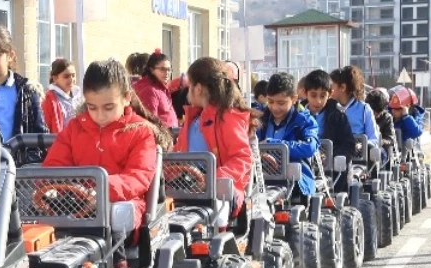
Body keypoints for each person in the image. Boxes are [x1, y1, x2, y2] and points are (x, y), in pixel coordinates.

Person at [44, 59, 160, 231]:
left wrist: (100, 191)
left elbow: (137, 177)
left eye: (108, 108)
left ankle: (119, 258)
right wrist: (51, 188)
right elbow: (54, 167)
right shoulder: (74, 128)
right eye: (92, 107)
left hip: (122, 206)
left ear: (127, 98)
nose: (100, 116)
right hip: (76, 203)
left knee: (115, 216)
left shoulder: (141, 131)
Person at [175, 57, 253, 219]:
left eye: (188, 86)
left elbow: (242, 158)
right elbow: (179, 157)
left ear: (197, 88)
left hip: (220, 192)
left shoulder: (228, 117)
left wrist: (212, 179)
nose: (186, 91)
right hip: (188, 187)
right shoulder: (193, 119)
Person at [258, 72, 319, 198]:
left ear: (294, 99)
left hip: (296, 184)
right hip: (261, 180)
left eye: (281, 103)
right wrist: (260, 153)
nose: (275, 108)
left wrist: (273, 145)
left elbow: (310, 147)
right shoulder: (260, 120)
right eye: (270, 101)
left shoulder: (305, 121)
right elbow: (248, 146)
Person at [303, 68, 356, 190]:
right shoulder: (298, 116)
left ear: (330, 94)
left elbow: (348, 144)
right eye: (313, 95)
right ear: (305, 93)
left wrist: (331, 157)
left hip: (332, 172)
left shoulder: (338, 116)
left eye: (323, 96)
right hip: (304, 169)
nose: (318, 101)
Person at [329, 65, 379, 149]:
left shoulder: (364, 109)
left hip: (358, 158)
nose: (328, 89)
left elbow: (374, 139)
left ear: (343, 87)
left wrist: (362, 146)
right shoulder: (328, 108)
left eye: (331, 86)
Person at [132, 51, 180, 132]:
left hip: (171, 135)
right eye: (162, 69)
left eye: (169, 69)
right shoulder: (149, 90)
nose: (167, 73)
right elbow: (150, 122)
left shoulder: (161, 87)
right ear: (151, 70)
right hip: (162, 138)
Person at [42, 58, 80, 133]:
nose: (71, 80)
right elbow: (46, 129)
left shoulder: (79, 96)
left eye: (73, 75)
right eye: (66, 76)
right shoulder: (49, 99)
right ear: (55, 78)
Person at [388, 86, 426, 151]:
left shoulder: (416, 115)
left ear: (406, 108)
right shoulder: (388, 114)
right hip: (392, 150)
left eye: (397, 109)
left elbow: (417, 132)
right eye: (391, 108)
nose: (393, 111)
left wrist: (406, 117)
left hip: (409, 151)